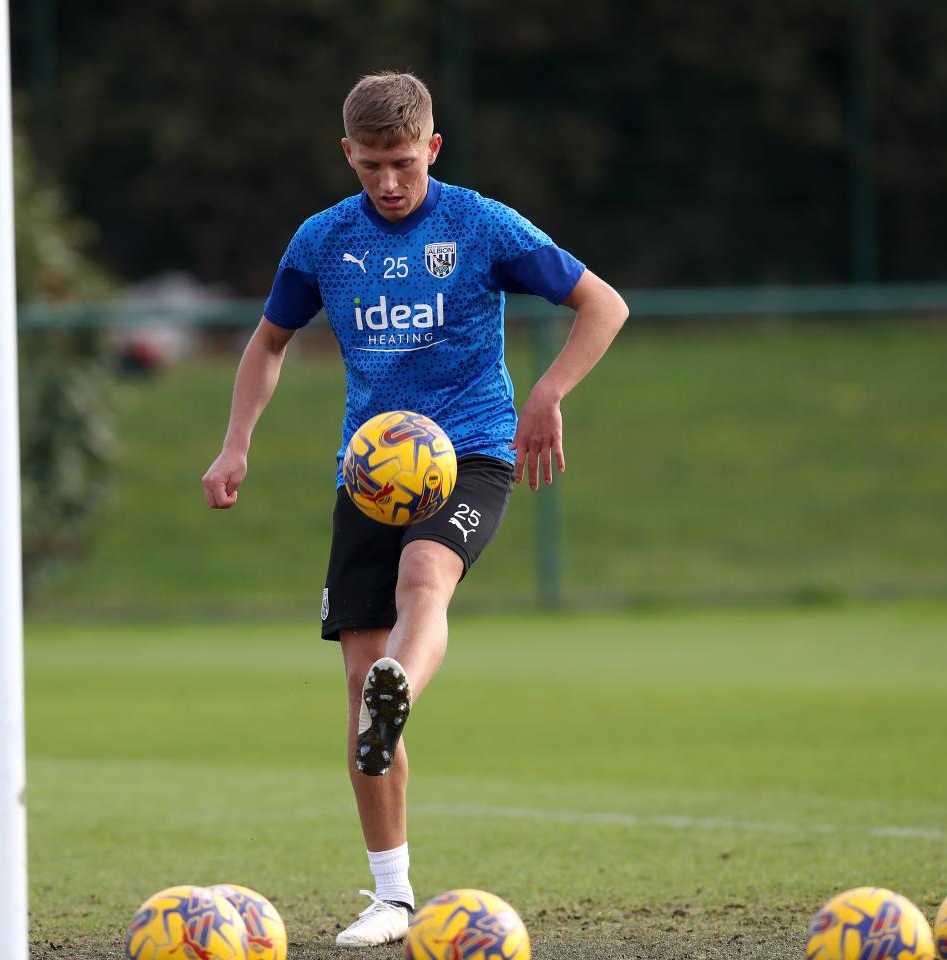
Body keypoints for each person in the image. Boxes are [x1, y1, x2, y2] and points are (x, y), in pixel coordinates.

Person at [202, 71, 628, 947]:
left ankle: (406, 682)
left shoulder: (480, 225)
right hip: (369, 472)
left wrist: (546, 396)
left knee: (423, 576)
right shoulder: (324, 240)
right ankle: (392, 896)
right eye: (370, 167)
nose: (388, 183)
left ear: (431, 149)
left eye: (402, 163)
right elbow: (269, 341)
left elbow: (603, 304)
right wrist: (236, 440)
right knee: (358, 684)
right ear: (347, 155)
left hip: (470, 451)